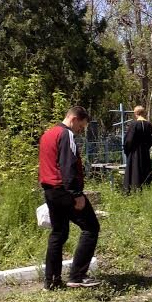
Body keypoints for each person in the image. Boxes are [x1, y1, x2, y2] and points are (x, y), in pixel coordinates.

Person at [38, 106, 101, 290]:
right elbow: (69, 165)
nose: (80, 131)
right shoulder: (67, 135)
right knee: (91, 227)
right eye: (81, 127)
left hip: (50, 190)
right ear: (73, 119)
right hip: (65, 191)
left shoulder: (48, 134)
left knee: (59, 233)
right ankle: (77, 276)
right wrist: (77, 194)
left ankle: (52, 281)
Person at [123, 105, 152, 194]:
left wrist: (127, 150)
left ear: (136, 113)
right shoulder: (149, 125)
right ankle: (146, 189)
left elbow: (129, 140)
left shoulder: (134, 124)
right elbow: (151, 140)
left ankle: (133, 190)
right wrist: (146, 147)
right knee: (145, 170)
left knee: (134, 171)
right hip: (145, 152)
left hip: (135, 152)